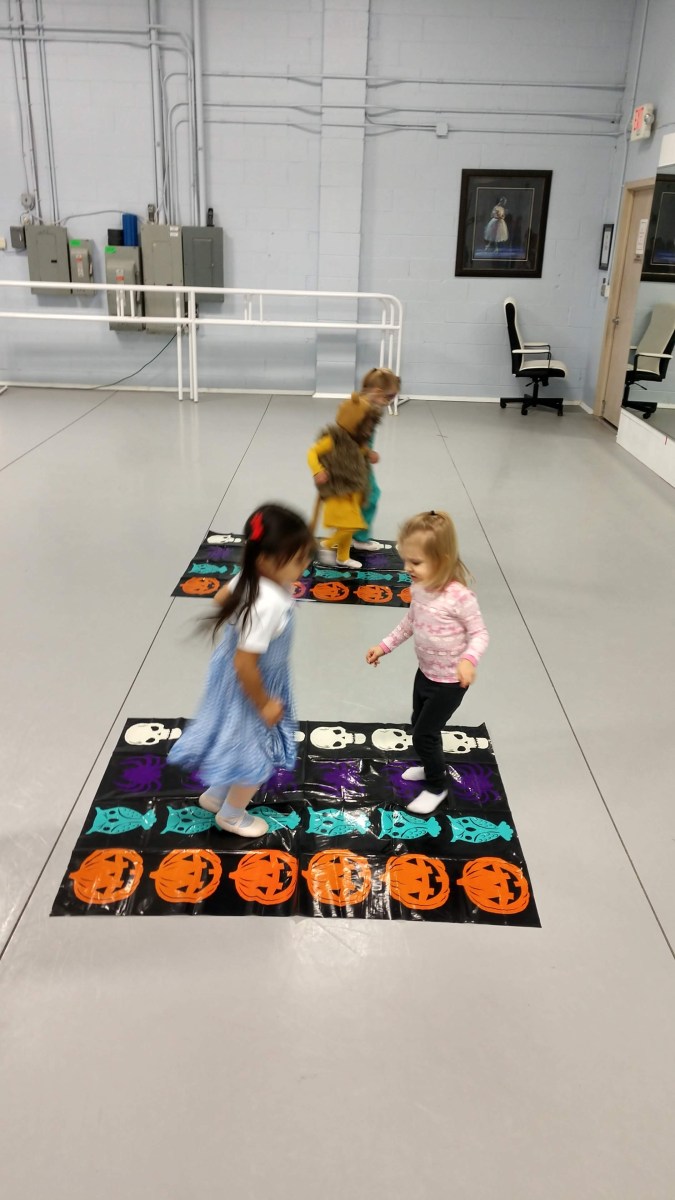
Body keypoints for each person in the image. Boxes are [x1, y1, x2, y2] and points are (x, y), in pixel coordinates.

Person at [168, 504, 315, 837]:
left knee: (236, 741)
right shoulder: (268, 603)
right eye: (297, 559)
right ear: (265, 560)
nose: (305, 566)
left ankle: (215, 796)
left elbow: (221, 597)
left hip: (233, 677)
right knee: (256, 754)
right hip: (252, 684)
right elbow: (245, 663)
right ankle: (232, 815)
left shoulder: (248, 577)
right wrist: (264, 703)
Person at [365, 510, 489, 814]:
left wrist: (468, 660)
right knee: (417, 724)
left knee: (425, 734)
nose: (407, 568)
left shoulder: (460, 597)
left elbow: (480, 633)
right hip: (425, 673)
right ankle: (431, 764)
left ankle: (437, 786)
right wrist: (384, 646)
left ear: (441, 560)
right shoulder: (419, 588)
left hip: (450, 683)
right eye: (405, 560)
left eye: (416, 562)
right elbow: (410, 622)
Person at [308, 391, 383, 569]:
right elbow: (312, 452)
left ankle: (343, 557)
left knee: (347, 527)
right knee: (351, 525)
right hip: (337, 491)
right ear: (354, 422)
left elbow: (361, 452)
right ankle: (327, 545)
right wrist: (317, 471)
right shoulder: (333, 439)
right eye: (366, 427)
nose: (368, 432)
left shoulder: (356, 441)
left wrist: (370, 454)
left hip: (352, 491)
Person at [351, 367, 401, 554]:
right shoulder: (362, 411)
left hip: (359, 461)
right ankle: (359, 537)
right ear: (378, 392)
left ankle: (350, 532)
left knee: (358, 497)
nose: (389, 402)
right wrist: (368, 452)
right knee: (370, 496)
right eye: (389, 397)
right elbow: (349, 439)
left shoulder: (365, 408)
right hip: (355, 463)